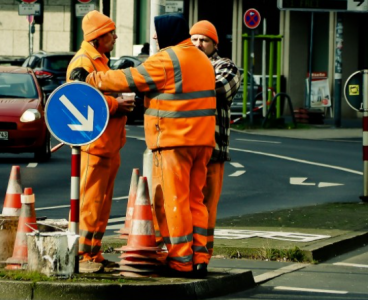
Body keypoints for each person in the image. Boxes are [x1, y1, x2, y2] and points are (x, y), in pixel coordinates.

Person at [82, 14, 216, 278]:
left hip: (174, 141)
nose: (154, 37)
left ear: (167, 33)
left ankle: (180, 260)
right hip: (203, 142)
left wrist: (91, 79)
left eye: (156, 32)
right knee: (195, 201)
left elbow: (129, 79)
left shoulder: (168, 58)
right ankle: (200, 257)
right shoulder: (202, 58)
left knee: (172, 201)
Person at [66, 10, 135, 273]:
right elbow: (79, 99)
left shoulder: (99, 61)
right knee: (90, 202)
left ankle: (93, 253)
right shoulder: (83, 63)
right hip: (95, 145)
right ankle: (84, 254)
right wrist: (117, 104)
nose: (115, 36)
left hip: (107, 144)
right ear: (97, 38)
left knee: (101, 202)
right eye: (111, 33)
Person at [190, 20, 240, 261]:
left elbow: (218, 89)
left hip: (213, 149)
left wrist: (184, 83)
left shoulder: (226, 66)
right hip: (185, 147)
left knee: (207, 206)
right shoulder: (185, 64)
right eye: (195, 39)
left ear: (214, 44)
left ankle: (202, 254)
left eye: (204, 40)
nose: (198, 44)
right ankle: (182, 253)